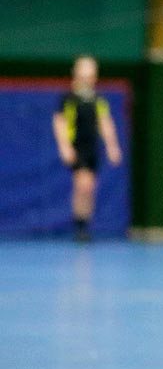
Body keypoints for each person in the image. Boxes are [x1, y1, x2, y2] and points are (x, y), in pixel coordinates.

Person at [51, 55, 121, 242]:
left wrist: (112, 147)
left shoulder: (98, 99)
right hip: (77, 147)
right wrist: (65, 146)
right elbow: (59, 122)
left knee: (90, 188)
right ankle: (80, 225)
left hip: (92, 148)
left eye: (91, 74)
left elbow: (105, 123)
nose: (87, 77)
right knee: (83, 183)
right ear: (76, 74)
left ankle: (84, 223)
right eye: (84, 73)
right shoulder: (69, 98)